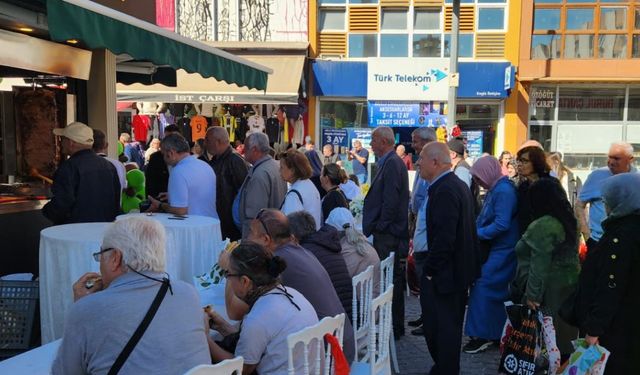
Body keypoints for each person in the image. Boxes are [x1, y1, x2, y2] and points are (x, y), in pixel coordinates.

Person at [52, 217, 210, 374]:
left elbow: (65, 371)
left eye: (101, 255)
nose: (99, 264)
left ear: (115, 258)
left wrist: (81, 307)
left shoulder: (86, 309)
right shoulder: (188, 293)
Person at [245, 209, 355, 362]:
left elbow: (237, 311)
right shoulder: (301, 251)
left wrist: (229, 267)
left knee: (261, 357)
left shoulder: (279, 263)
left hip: (330, 357)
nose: (246, 239)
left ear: (265, 239)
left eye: (251, 233)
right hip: (343, 342)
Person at [205, 242, 318, 375]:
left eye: (228, 274)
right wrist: (221, 326)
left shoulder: (258, 318)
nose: (228, 280)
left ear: (245, 281)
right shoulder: (293, 294)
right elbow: (255, 341)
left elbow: (240, 370)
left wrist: (204, 338)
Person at [415, 142, 478, 374]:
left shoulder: (446, 189)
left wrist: (430, 271)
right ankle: (443, 368)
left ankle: (445, 369)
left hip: (446, 277)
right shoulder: (451, 185)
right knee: (444, 330)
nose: (417, 162)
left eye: (421, 158)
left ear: (435, 162)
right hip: (452, 275)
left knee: (441, 331)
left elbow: (445, 239)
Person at [571, 173, 640, 374]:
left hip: (615, 329)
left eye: (607, 200)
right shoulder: (629, 229)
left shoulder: (621, 236)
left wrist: (594, 329)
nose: (605, 206)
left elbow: (611, 286)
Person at [511, 178, 579, 356]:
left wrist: (532, 297)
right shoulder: (568, 221)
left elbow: (538, 266)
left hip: (547, 295)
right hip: (568, 291)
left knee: (545, 345)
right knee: (562, 344)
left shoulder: (543, 225)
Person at [463, 156, 519, 354]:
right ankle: (493, 333)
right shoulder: (499, 187)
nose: (478, 183)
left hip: (503, 249)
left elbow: (501, 223)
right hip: (499, 248)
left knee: (483, 287)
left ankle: (483, 334)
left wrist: (476, 233)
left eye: (479, 178)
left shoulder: (503, 191)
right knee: (493, 291)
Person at [362, 126, 409, 339]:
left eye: (373, 140)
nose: (370, 145)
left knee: (390, 281)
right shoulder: (389, 162)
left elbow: (390, 200)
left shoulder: (391, 163)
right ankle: (393, 325)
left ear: (383, 141)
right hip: (387, 232)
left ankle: (394, 327)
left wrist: (380, 226)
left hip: (389, 234)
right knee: (391, 280)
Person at [43, 122, 120, 224]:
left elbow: (62, 203)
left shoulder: (68, 168)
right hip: (103, 231)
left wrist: (46, 211)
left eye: (62, 139)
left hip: (75, 232)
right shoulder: (108, 166)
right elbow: (115, 201)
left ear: (71, 143)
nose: (61, 143)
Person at [288, 211, 353, 321]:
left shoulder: (306, 253)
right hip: (347, 312)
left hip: (335, 321)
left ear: (293, 236)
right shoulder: (327, 244)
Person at [576, 142, 636, 253]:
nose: (611, 162)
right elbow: (579, 205)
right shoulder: (597, 176)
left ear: (630, 159)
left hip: (629, 244)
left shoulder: (636, 179)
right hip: (599, 242)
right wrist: (587, 235)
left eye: (616, 158)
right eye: (609, 157)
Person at [408, 127, 437, 335]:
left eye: (416, 141)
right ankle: (424, 315)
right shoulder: (421, 163)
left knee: (426, 277)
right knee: (420, 278)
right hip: (418, 219)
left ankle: (430, 320)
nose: (413, 145)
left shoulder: (432, 164)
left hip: (426, 226)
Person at [147, 133, 218, 218]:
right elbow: (198, 194)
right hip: (212, 224)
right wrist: (173, 194)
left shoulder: (178, 171)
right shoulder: (205, 165)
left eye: (163, 155)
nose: (164, 159)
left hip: (193, 226)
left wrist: (160, 205)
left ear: (171, 153)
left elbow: (180, 210)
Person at [237, 132, 287, 239]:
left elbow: (254, 214)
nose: (243, 150)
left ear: (254, 149)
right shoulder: (274, 166)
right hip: (272, 232)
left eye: (246, 147)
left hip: (261, 236)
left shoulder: (260, 174)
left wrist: (249, 241)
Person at [202, 127, 249, 241]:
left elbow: (243, 192)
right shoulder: (217, 159)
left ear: (217, 141)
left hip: (230, 223)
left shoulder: (234, 160)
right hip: (220, 220)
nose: (205, 143)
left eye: (207, 140)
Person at [326, 207, 381, 296]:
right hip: (374, 297)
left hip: (362, 303)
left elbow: (338, 281)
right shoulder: (362, 242)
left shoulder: (347, 249)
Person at [278, 149, 322, 230]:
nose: (279, 170)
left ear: (292, 171)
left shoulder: (294, 194)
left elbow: (292, 227)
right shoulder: (309, 184)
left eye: (282, 167)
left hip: (300, 241)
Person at [515, 145, 553, 235]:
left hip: (547, 240)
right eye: (519, 160)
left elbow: (564, 216)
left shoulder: (550, 185)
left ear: (536, 162)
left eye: (524, 161)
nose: (520, 164)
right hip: (526, 240)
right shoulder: (523, 187)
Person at [145, 125, 180, 199]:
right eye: (167, 139)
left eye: (174, 139)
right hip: (160, 201)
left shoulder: (186, 157)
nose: (170, 142)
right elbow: (150, 183)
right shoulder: (156, 158)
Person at [92, 129, 127, 197]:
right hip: (114, 206)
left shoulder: (83, 164)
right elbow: (123, 188)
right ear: (106, 145)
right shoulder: (119, 165)